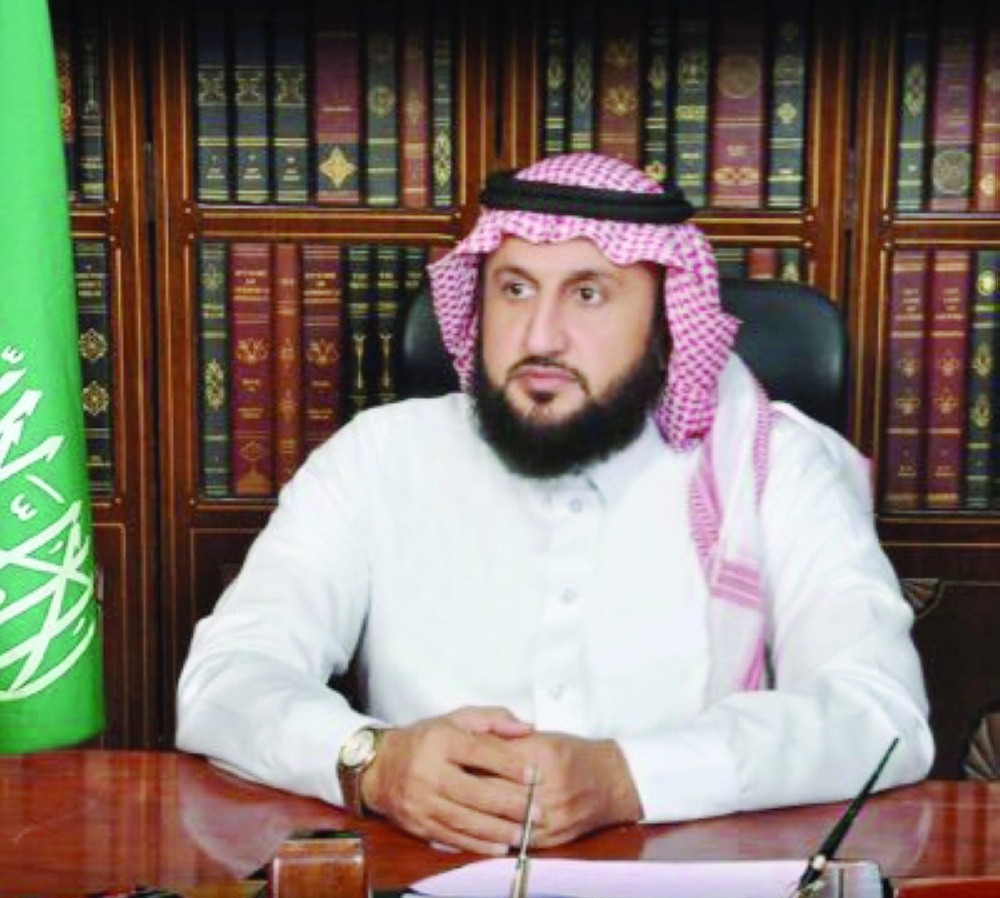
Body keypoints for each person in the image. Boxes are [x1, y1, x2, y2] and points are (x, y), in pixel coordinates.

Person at [176, 153, 933, 855]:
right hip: (414, 892)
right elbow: (227, 679)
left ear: (667, 321)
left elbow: (880, 713)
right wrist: (371, 761)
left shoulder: (772, 467)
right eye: (514, 290)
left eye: (588, 294)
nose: (541, 337)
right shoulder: (378, 456)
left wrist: (629, 778)